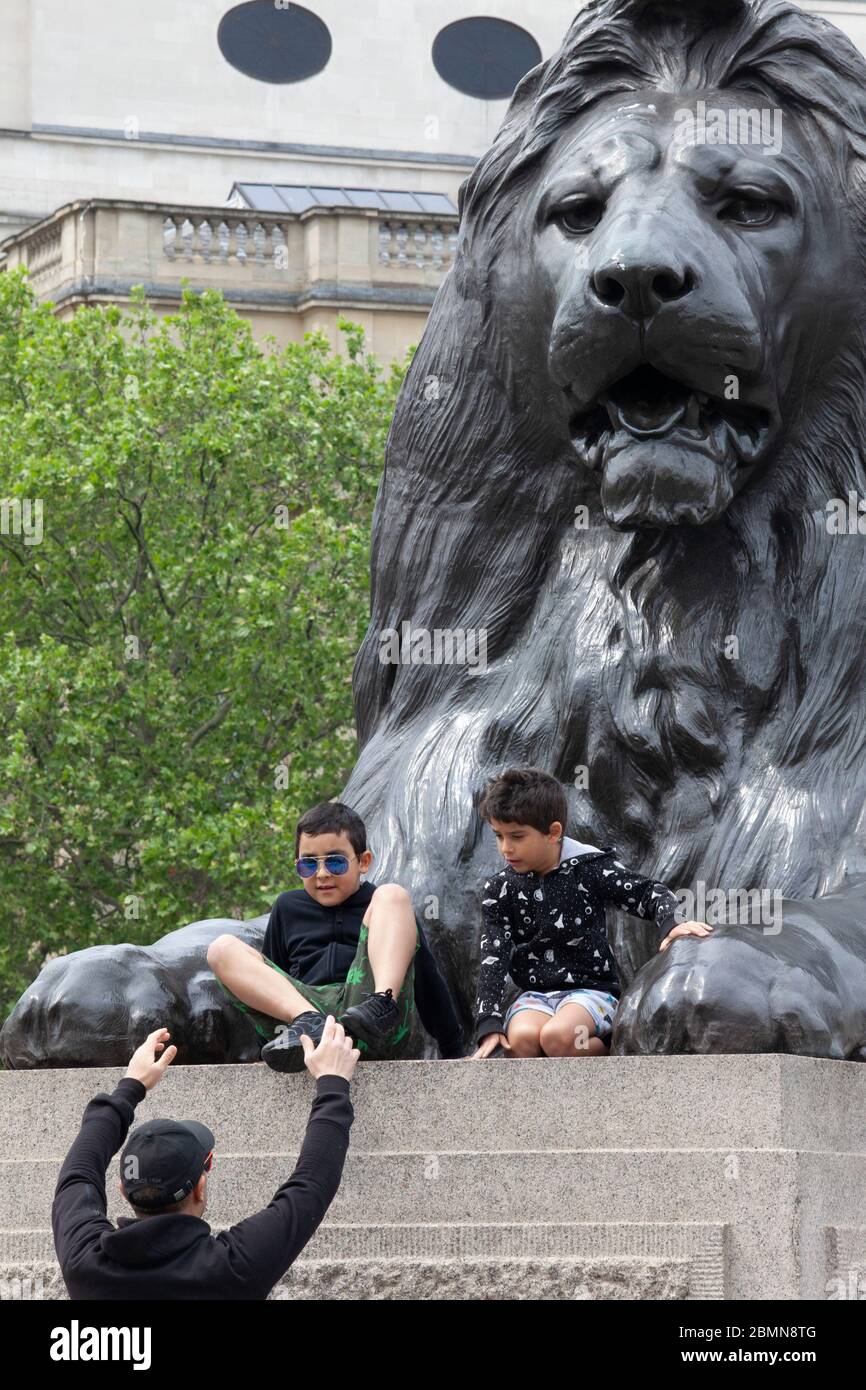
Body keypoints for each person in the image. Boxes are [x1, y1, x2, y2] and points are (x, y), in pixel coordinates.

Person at [52, 1019, 358, 1300]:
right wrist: (332, 1081)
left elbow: (79, 1173)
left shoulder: (86, 1264)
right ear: (200, 1186)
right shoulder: (231, 1267)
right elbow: (312, 1184)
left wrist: (131, 1084)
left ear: (122, 1189)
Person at [471, 767, 713, 1060]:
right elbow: (493, 957)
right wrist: (489, 1022)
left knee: (557, 1038)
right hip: (534, 997)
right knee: (521, 1041)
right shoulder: (500, 888)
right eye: (499, 836)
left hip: (591, 995)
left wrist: (671, 922)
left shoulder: (590, 868)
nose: (506, 848)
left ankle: (613, 1051)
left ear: (553, 832)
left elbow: (647, 892)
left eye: (517, 836)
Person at [208, 800, 464, 1072]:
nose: (322, 874)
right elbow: (271, 982)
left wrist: (454, 1051)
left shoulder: (383, 906)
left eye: (336, 862)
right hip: (307, 1025)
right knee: (221, 949)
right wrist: (264, 1049)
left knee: (393, 894)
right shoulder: (287, 907)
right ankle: (309, 1021)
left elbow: (426, 978)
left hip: (370, 1019)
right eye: (308, 865)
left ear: (363, 861)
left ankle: (381, 1004)